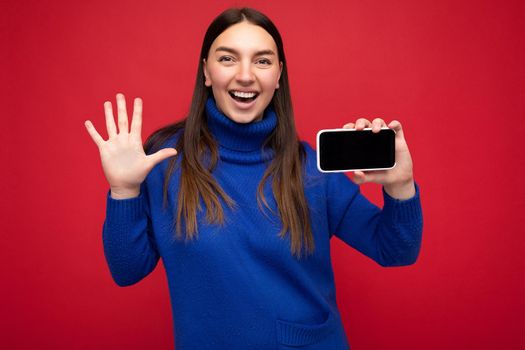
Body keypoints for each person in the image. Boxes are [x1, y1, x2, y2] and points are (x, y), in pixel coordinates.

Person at [84, 7, 422, 350]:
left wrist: (400, 186)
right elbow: (127, 271)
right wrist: (124, 190)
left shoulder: (312, 169)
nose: (245, 76)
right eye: (228, 58)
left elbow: (395, 250)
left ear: (278, 76)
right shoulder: (164, 161)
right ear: (206, 71)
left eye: (262, 61)